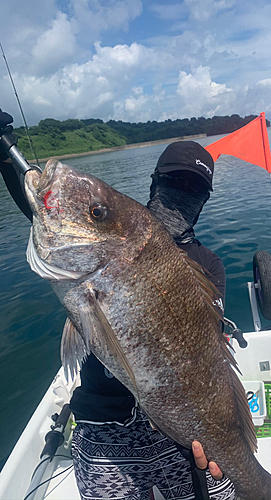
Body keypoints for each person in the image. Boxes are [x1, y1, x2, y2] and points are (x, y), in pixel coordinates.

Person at [0, 112, 234, 499]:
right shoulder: (109, 238)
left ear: (204, 201)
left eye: (194, 188)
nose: (182, 193)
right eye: (175, 180)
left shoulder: (208, 265)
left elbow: (204, 355)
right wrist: (6, 153)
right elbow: (45, 212)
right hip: (102, 424)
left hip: (177, 433)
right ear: (154, 182)